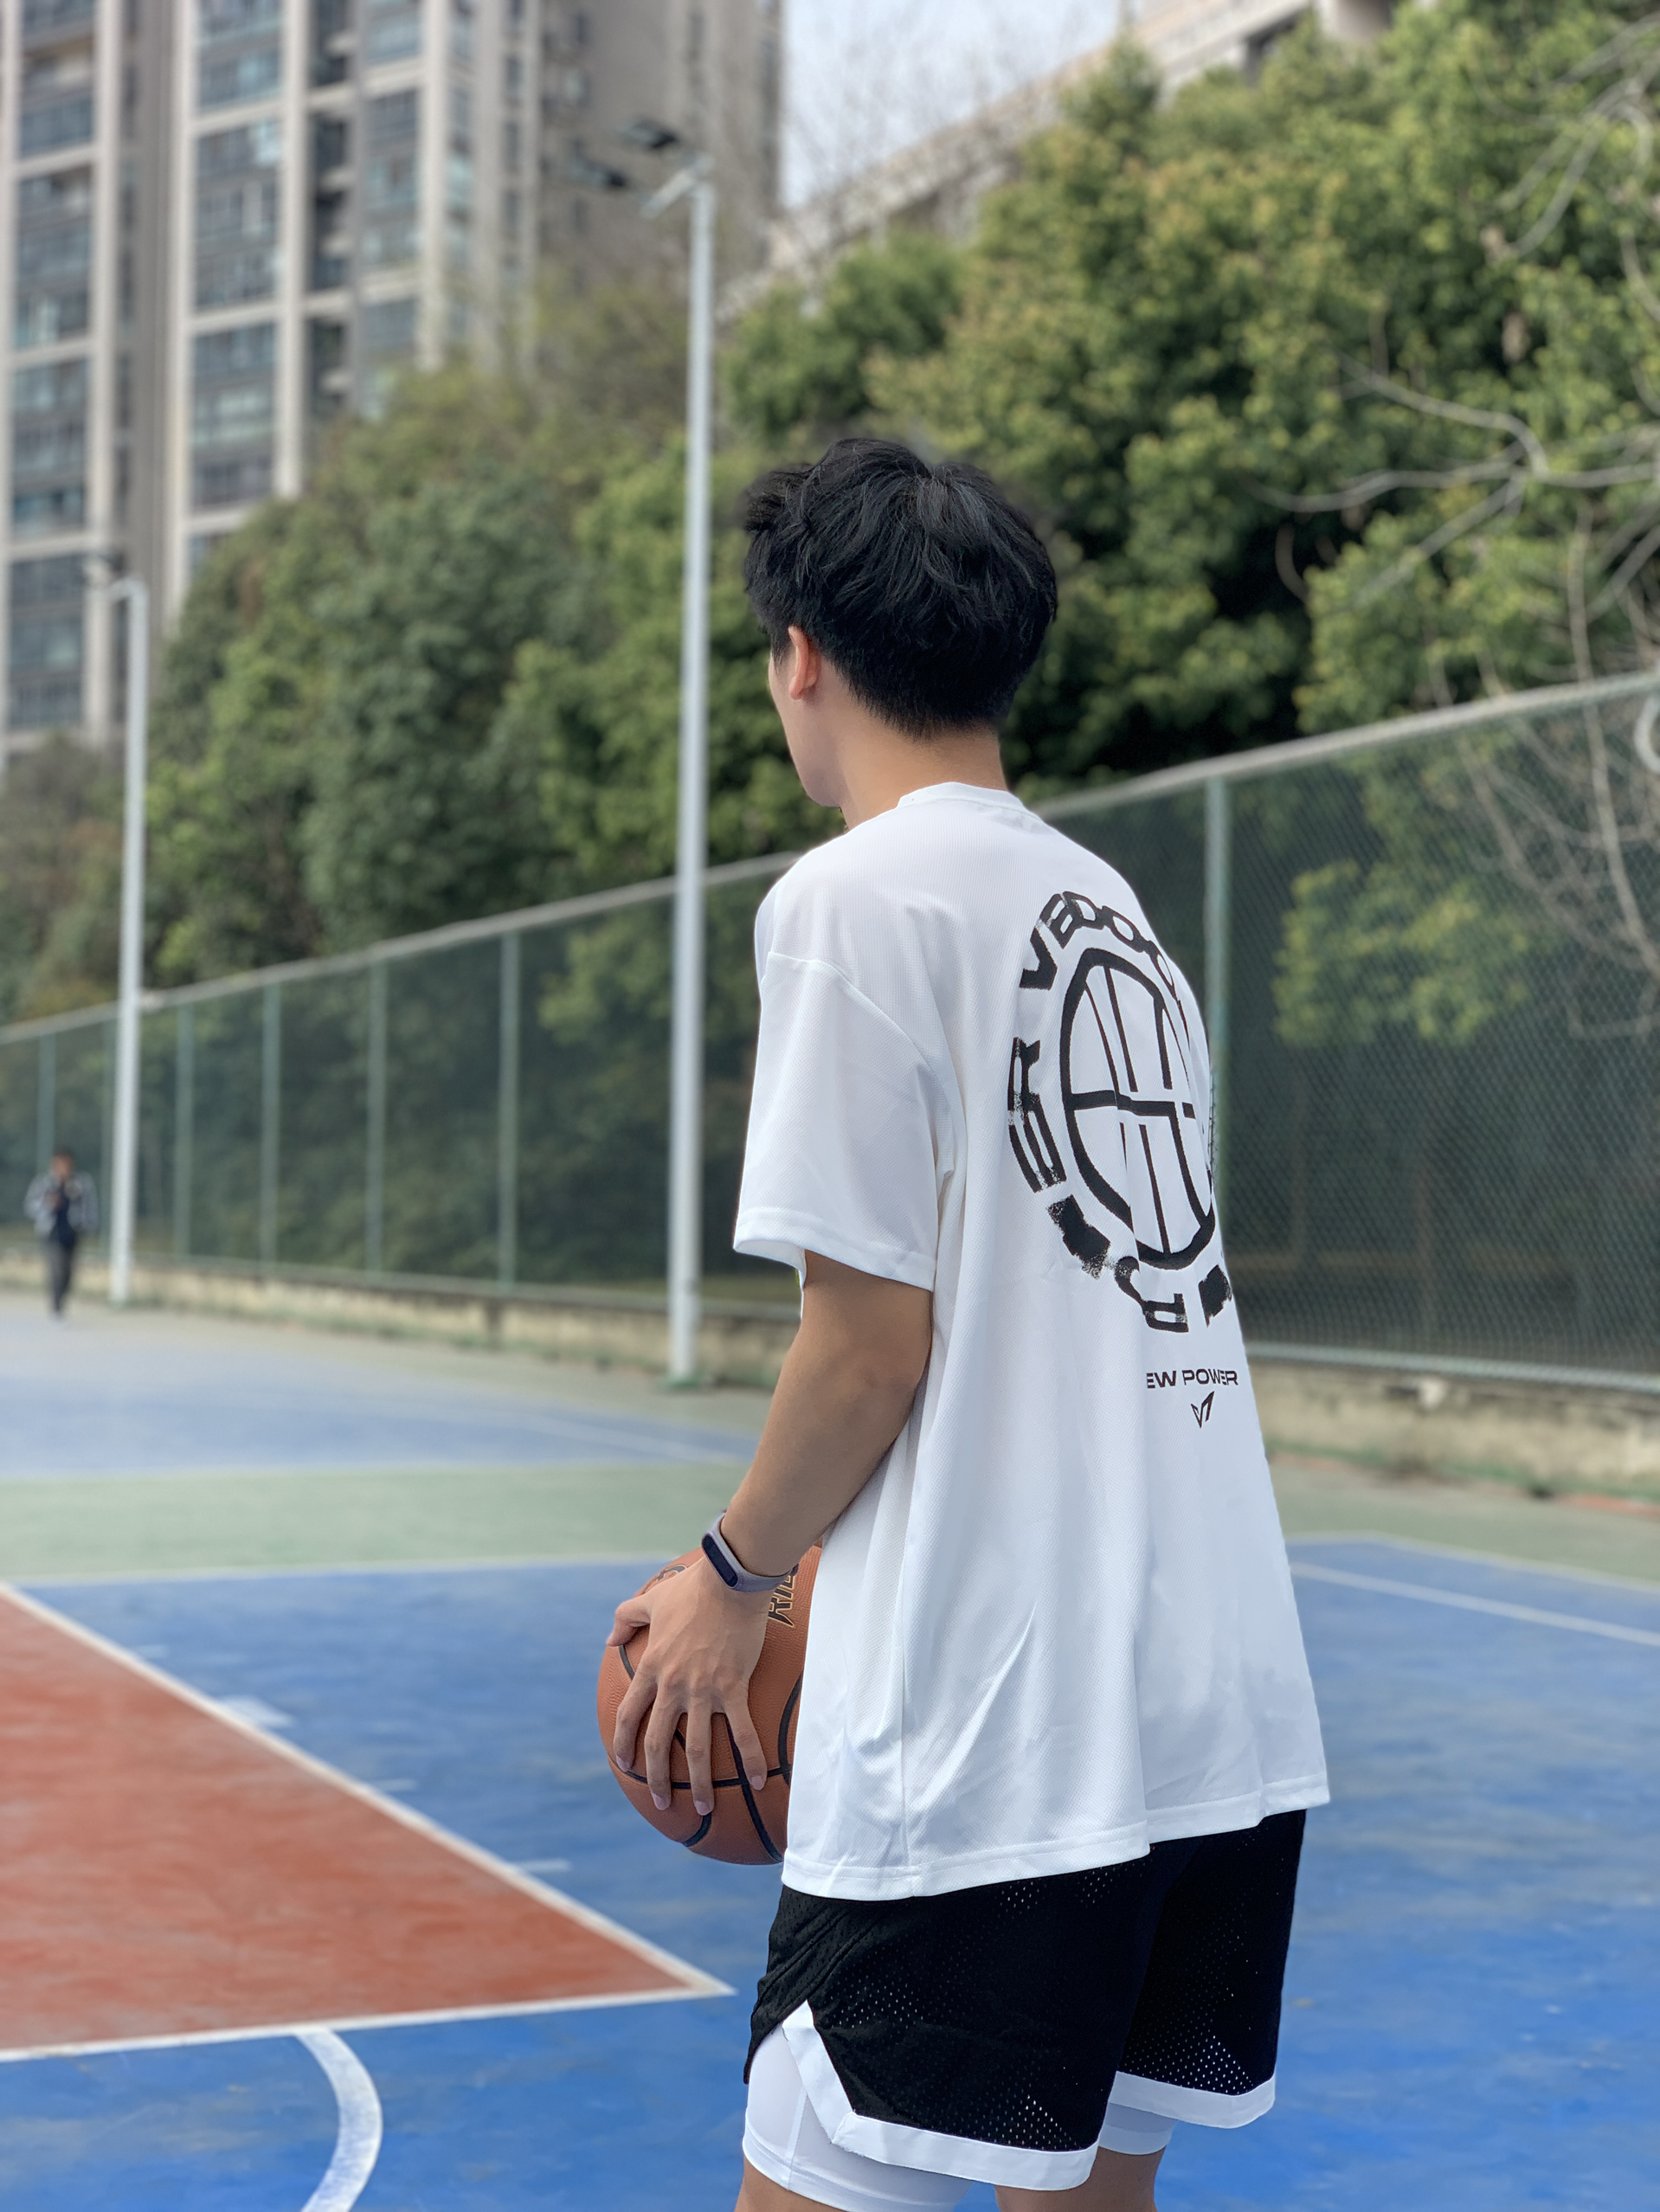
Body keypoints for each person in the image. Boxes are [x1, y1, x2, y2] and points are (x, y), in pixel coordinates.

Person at [608, 439, 1328, 2212]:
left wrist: (733, 1574)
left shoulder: (847, 902)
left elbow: (869, 1345)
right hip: (1212, 1717)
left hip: (1002, 1738)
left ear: (799, 655)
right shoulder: (1111, 916)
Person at [25, 1147, 99, 1317]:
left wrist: (90, 1224)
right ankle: (57, 1305)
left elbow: (91, 1206)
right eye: (59, 1164)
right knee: (56, 1269)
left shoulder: (81, 1183)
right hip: (51, 1233)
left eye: (66, 1164)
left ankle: (62, 1297)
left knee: (69, 1271)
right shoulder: (44, 1183)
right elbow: (30, 1206)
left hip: (73, 1232)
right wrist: (48, 1203)